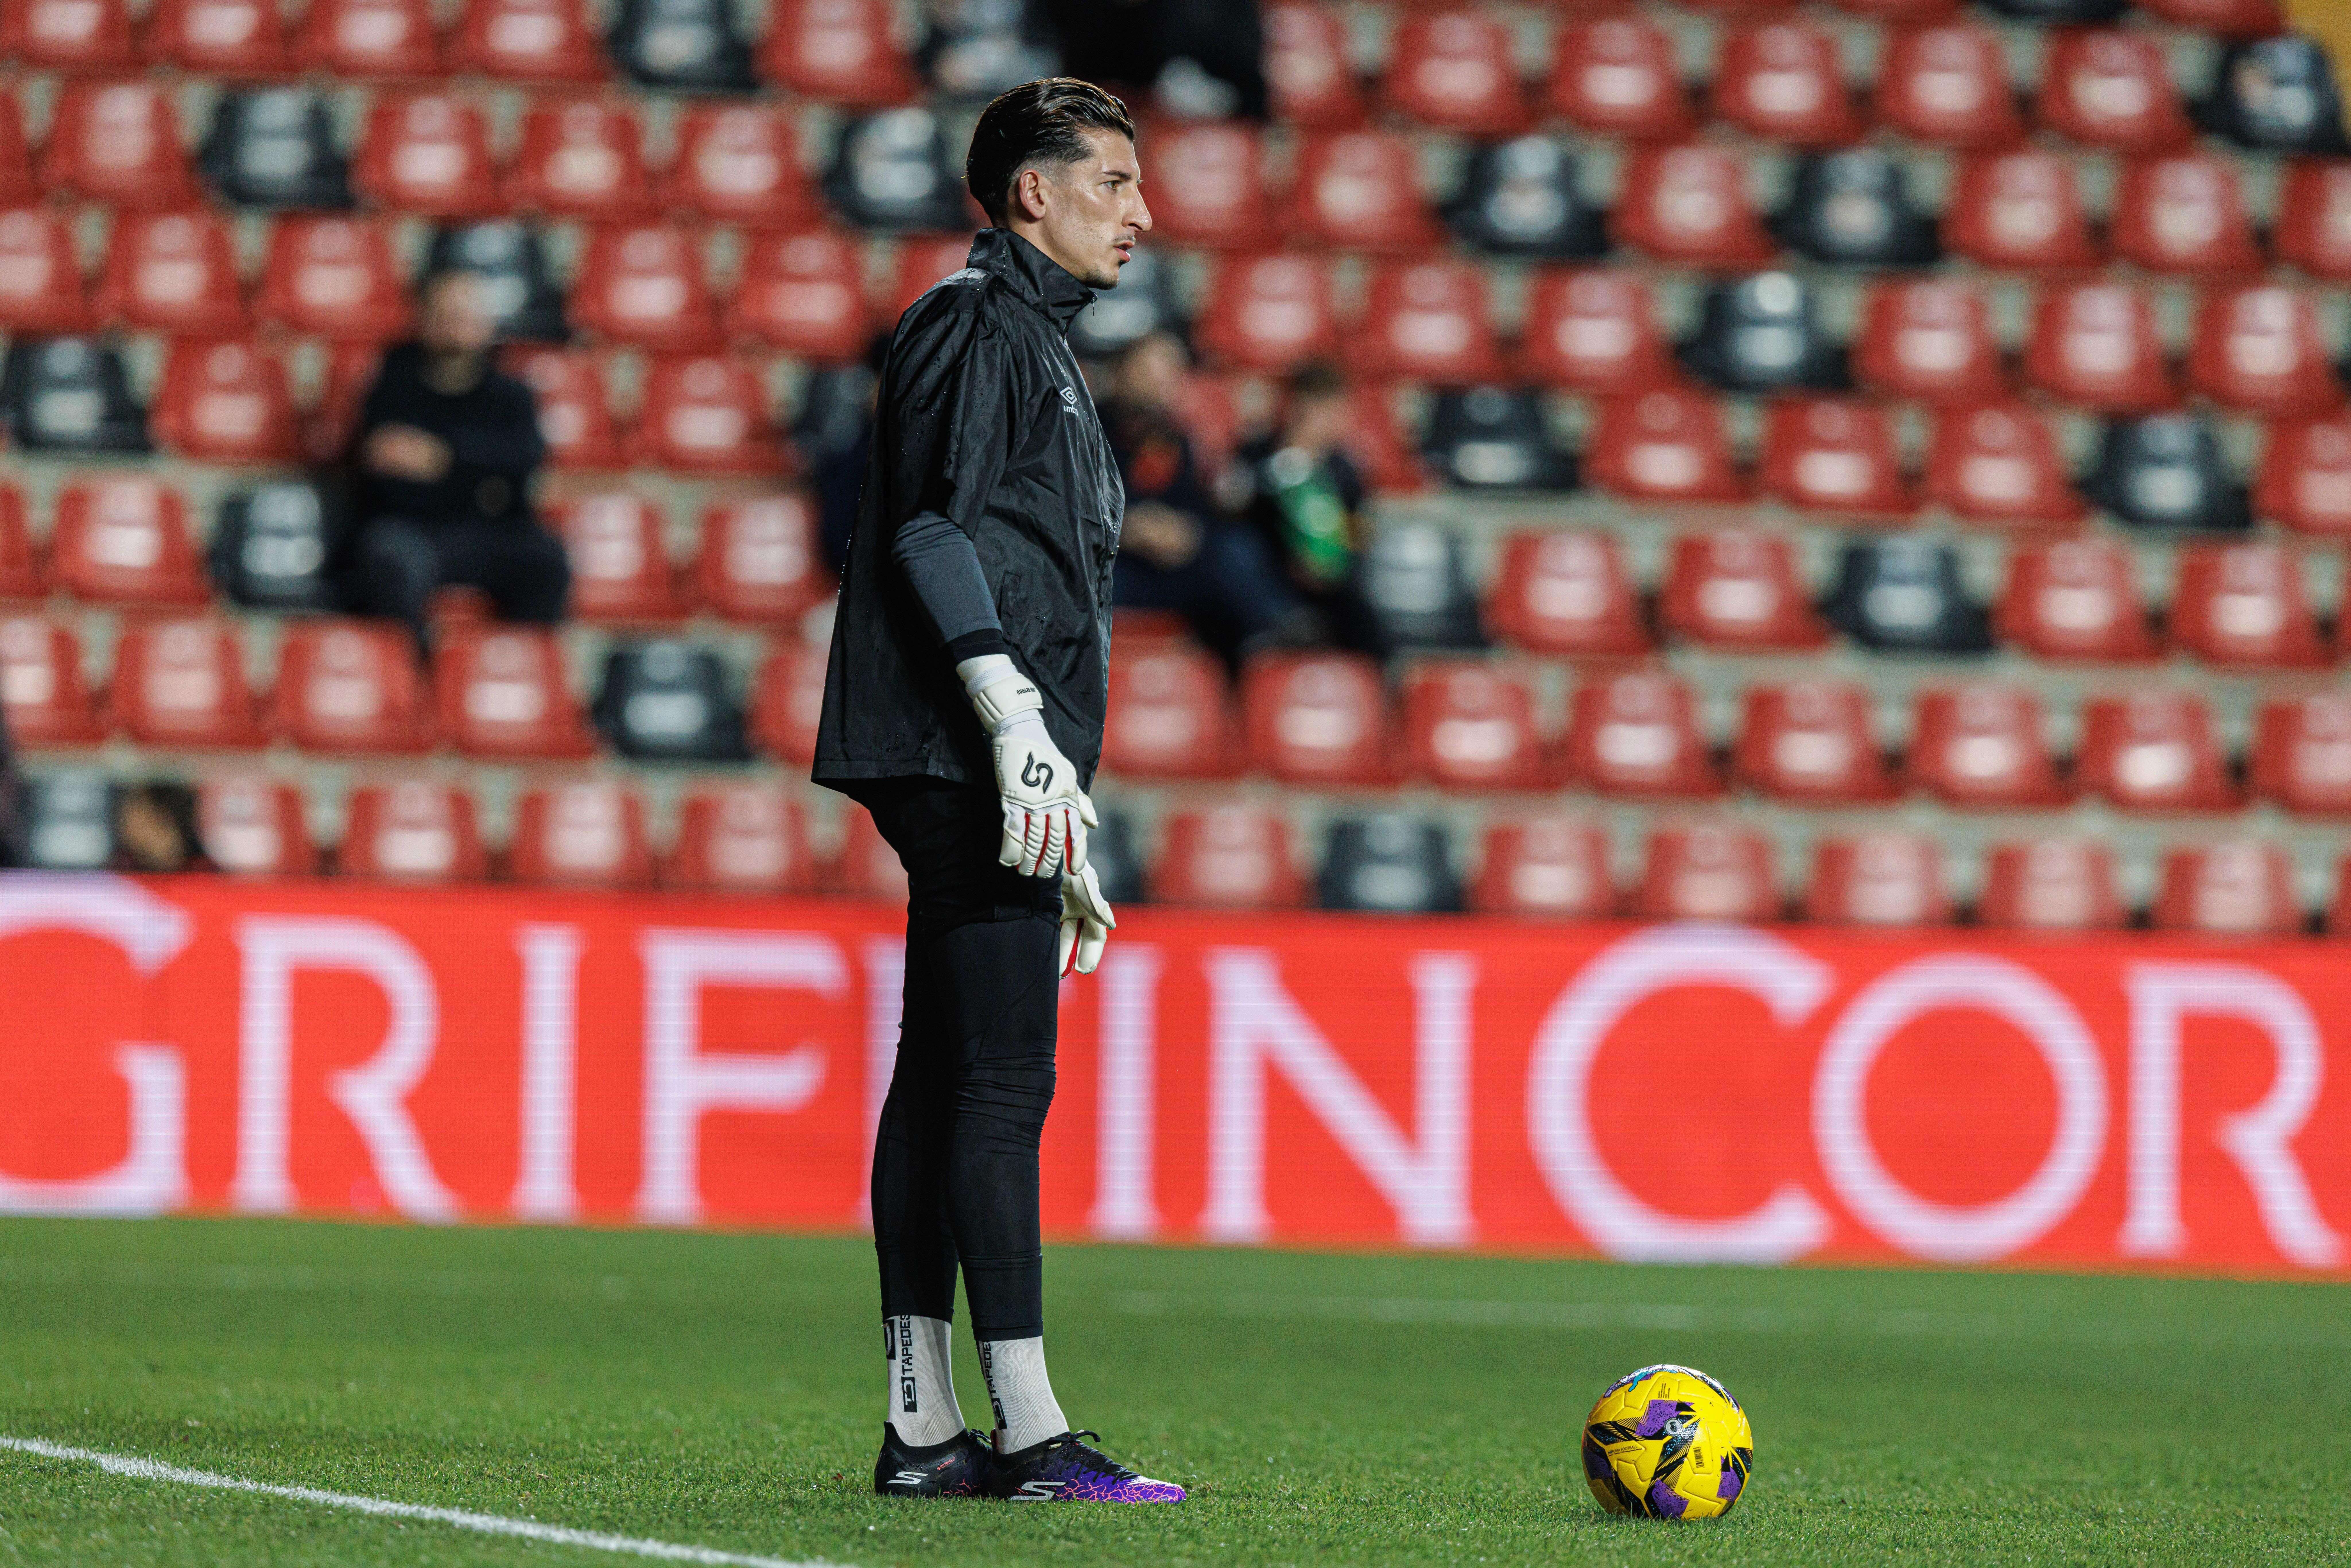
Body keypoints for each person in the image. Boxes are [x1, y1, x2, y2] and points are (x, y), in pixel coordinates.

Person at [813, 77, 1182, 1505]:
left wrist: (1049, 776)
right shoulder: (981, 324)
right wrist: (1015, 715)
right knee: (1001, 1079)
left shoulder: (1020, 338)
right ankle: (1031, 1432)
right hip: (972, 750)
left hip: (975, 754)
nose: (1140, 214)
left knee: (939, 1074)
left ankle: (924, 1428)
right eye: (1113, 183)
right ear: (1034, 190)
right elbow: (932, 530)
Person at [343, 269, 569, 657]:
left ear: (488, 325)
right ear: (424, 319)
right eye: (446, 316)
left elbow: (523, 464)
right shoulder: (393, 382)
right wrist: (478, 475)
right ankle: (417, 675)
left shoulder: (510, 394)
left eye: (466, 317)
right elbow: (384, 469)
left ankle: (518, 668)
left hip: (492, 532)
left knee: (547, 562)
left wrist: (442, 459)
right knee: (390, 560)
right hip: (413, 529)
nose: (455, 328)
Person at [1100, 331, 1303, 666]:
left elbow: (1204, 507)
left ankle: (1271, 647)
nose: (1161, 385)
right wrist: (1129, 527)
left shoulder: (1181, 439)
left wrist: (1187, 531)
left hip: (1174, 566)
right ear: (1122, 373)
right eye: (1149, 372)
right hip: (1115, 565)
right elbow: (1069, 507)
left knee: (1236, 551)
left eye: (1170, 374)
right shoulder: (1088, 430)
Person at [1235, 359, 1381, 652]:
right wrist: (1290, 459)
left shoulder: (1344, 471)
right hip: (1272, 574)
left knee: (1367, 620)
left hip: (1330, 581)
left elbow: (1357, 530)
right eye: (1319, 411)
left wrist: (1332, 561)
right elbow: (1239, 508)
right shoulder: (1256, 455)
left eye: (1336, 412)